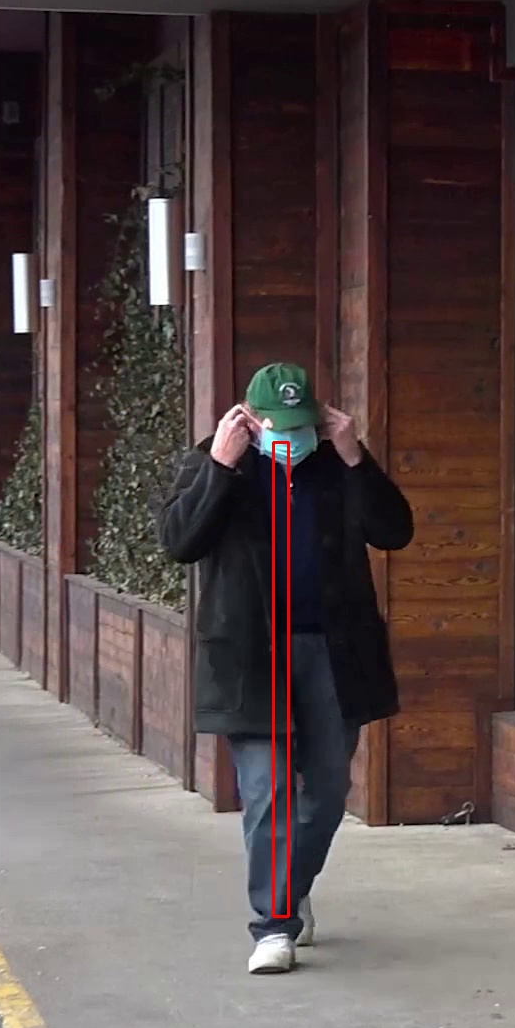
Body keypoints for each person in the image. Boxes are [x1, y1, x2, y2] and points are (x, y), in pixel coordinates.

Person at [161, 363, 415, 975]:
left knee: (325, 794)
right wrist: (220, 466)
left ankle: (290, 887)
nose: (291, 437)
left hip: (331, 652)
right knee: (267, 791)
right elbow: (179, 542)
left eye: (303, 424)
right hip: (250, 656)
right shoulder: (214, 461)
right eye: (278, 425)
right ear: (250, 419)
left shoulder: (336, 465)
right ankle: (274, 926)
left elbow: (394, 531)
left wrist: (355, 456)